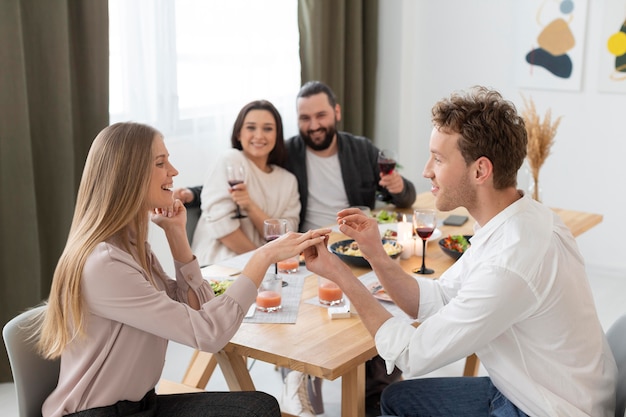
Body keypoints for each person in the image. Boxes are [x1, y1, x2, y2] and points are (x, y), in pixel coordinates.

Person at [302, 86, 618, 417]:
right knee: (395, 399)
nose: (426, 171)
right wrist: (375, 255)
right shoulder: (517, 219)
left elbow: (412, 354)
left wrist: (340, 274)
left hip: (547, 408)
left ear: (480, 170)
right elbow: (435, 299)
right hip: (527, 386)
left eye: (438, 159)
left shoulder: (510, 261)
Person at [33, 122, 327, 417]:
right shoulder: (105, 263)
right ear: (129, 176)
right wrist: (262, 257)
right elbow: (209, 334)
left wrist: (177, 237)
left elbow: (202, 308)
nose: (173, 172)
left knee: (258, 407)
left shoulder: (133, 247)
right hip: (99, 413)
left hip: (141, 405)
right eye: (161, 163)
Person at [175, 81, 417, 416]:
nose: (313, 125)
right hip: (306, 250)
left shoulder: (361, 149)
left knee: (378, 302)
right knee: (312, 304)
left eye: (320, 115)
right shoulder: (290, 152)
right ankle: (298, 374)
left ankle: (378, 393)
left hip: (352, 246)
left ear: (336, 112)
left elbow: (403, 195)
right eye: (304, 118)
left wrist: (399, 187)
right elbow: (241, 170)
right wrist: (192, 193)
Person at [190, 100, 300, 266]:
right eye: (251, 127)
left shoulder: (288, 181)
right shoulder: (231, 160)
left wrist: (250, 206)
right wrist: (262, 260)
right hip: (219, 263)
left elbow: (286, 235)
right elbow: (222, 228)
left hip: (264, 265)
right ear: (238, 134)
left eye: (268, 129)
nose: (259, 135)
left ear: (277, 136)